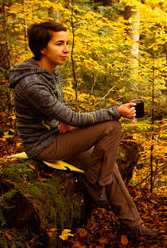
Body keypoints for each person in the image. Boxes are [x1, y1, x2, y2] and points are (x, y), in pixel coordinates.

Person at [9, 21, 157, 238]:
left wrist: (65, 123)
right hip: (43, 146)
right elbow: (71, 116)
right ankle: (95, 184)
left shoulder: (51, 72)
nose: (66, 49)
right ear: (42, 48)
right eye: (59, 44)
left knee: (110, 164)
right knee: (112, 126)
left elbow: (61, 112)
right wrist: (115, 110)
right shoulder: (32, 83)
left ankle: (132, 225)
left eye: (67, 43)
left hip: (57, 136)